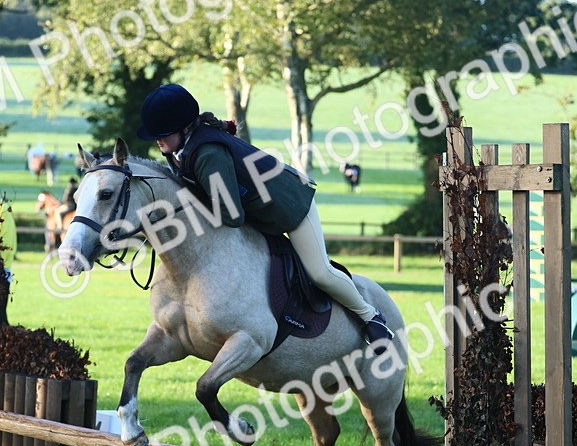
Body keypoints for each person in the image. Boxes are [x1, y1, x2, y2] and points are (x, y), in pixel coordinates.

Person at [136, 84, 395, 352]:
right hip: (258, 212)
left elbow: (232, 216)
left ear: (184, 128)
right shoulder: (180, 152)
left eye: (163, 133)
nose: (158, 140)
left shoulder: (207, 154)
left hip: (290, 205)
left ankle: (371, 318)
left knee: (320, 272)